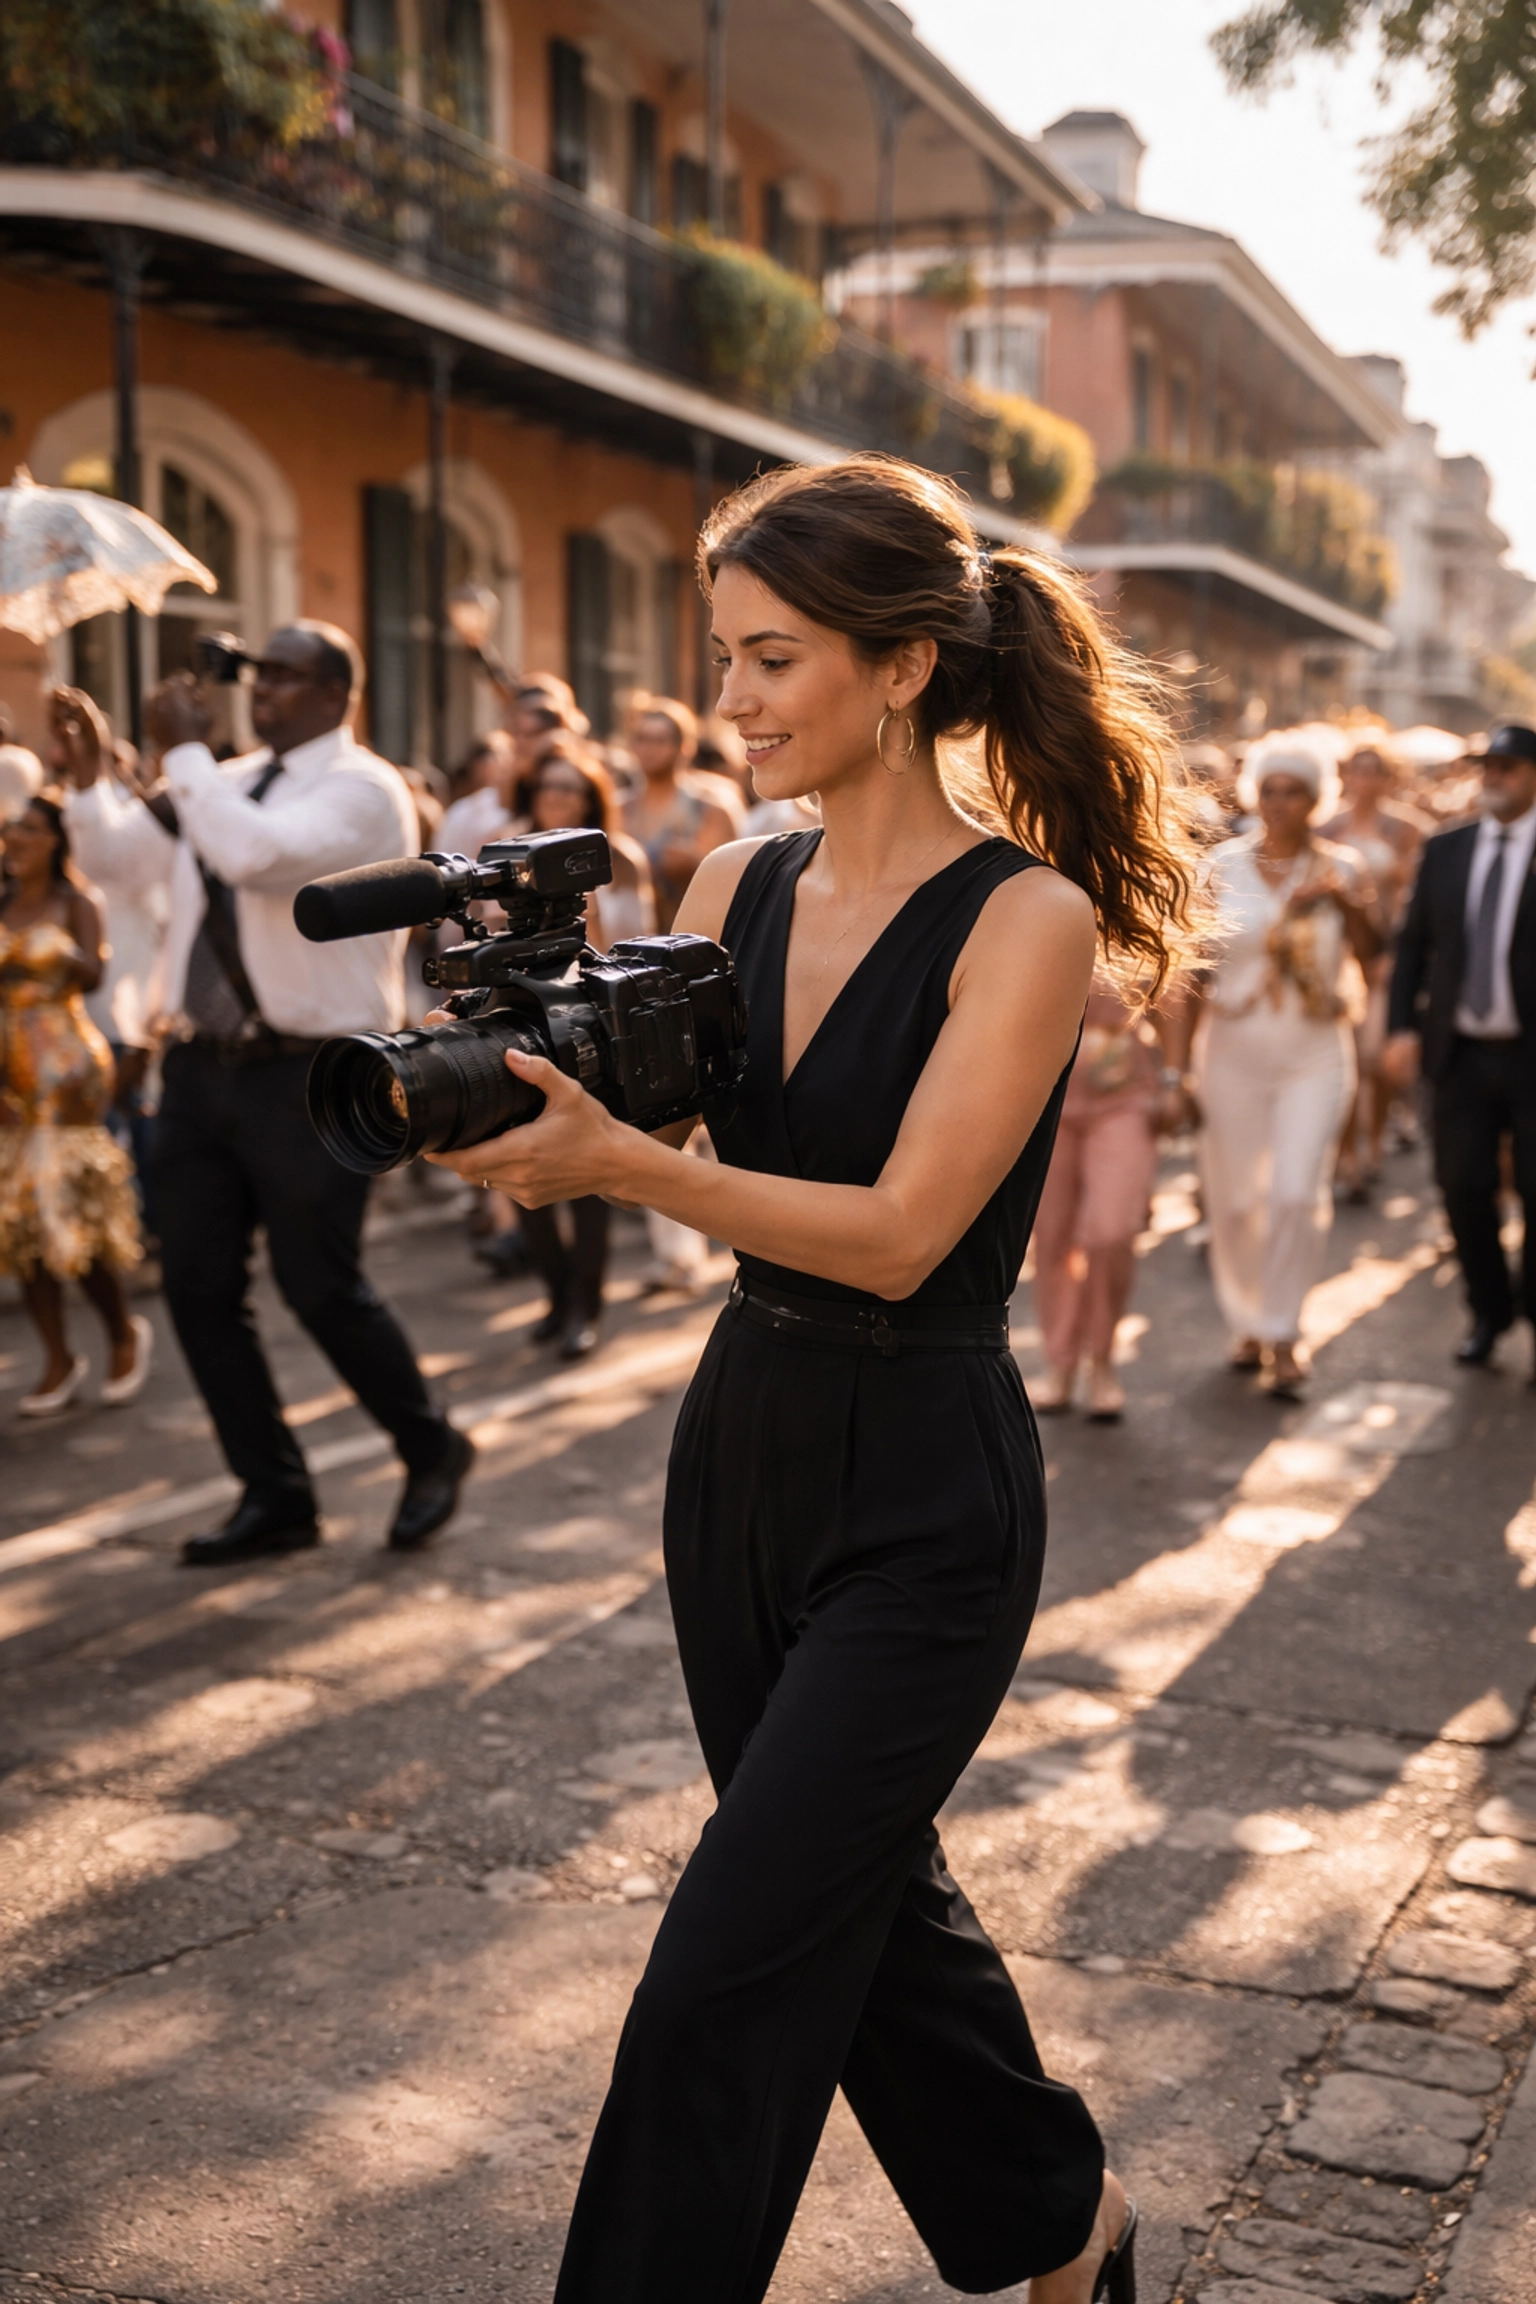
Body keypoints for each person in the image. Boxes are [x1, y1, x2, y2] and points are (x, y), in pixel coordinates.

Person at [430, 456, 1197, 2304]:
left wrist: (629, 1167)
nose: (737, 698)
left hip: (928, 1479)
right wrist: (528, 1093)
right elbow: (684, 1136)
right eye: (725, 656)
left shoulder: (1025, 919)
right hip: (743, 1445)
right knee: (855, 1906)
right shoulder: (727, 877)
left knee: (729, 1961)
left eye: (773, 656)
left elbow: (904, 1230)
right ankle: (1058, 2220)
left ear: (904, 665)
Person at [140, 621, 473, 1564]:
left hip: (313, 1071)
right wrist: (89, 780)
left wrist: (185, 754)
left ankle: (429, 1442)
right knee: (197, 1285)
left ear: (338, 693)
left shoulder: (363, 789)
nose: (262, 690)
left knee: (318, 1282)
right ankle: (274, 1493)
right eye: (256, 673)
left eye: (284, 676)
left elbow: (257, 858)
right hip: (203, 1063)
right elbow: (129, 860)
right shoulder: (229, 777)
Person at [1168, 737, 1381, 1399]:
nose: (1281, 802)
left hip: (1314, 1050)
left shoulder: (1341, 867)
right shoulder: (1218, 870)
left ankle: (1285, 1330)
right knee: (1234, 1198)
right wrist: (1178, 1073)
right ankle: (1248, 1319)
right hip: (1232, 1048)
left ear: (1316, 799)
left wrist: (1346, 907)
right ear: (1256, 794)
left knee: (1294, 1191)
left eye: (1295, 791)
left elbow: (1375, 953)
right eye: (1271, 789)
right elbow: (1189, 977)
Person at [1386, 720, 1536, 1369]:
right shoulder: (1447, 849)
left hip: (1531, 1055)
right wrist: (1399, 1029)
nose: (1493, 776)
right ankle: (1489, 1310)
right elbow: (1414, 946)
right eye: (1487, 766)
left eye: (1507, 766)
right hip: (1461, 1054)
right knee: (1459, 1183)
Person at [0, 790, 151, 1414]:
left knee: (72, 1211)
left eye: (31, 830)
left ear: (56, 840)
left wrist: (46, 948)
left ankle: (122, 1335)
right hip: (8, 1063)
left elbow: (93, 975)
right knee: (20, 1220)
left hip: (66, 1063)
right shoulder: (1, 902)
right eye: (12, 829)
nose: (16, 839)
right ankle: (58, 1357)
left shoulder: (75, 899)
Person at [511, 744, 656, 1356]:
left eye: (570, 789)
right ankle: (555, 1293)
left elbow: (639, 946)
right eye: (548, 786)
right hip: (522, 1019)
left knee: (591, 1178)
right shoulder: (510, 854)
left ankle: (586, 1309)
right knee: (521, 1172)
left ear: (591, 798)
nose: (557, 798)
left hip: (595, 1024)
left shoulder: (618, 859)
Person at [50, 686, 176, 1240]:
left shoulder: (134, 844)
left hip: (130, 1003)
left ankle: (146, 1228)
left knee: (131, 1115)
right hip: (77, 1017)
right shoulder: (70, 851)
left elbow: (161, 915)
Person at [1031, 980, 1185, 1419]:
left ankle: (1101, 1360)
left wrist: (1173, 1081)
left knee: (1112, 1230)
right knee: (1053, 1235)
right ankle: (1060, 1362)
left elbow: (1174, 999)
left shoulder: (1138, 915)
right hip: (1048, 1095)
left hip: (1126, 1097)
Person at [1320, 744, 1426, 1198]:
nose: (1365, 780)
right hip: (1337, 953)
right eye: (1357, 770)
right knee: (1341, 1054)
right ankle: (1345, 1155)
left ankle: (1375, 1140)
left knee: (1377, 1061)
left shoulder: (1407, 829)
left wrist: (1401, 956)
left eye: (1374, 771)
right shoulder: (1327, 826)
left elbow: (1418, 900)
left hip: (1387, 957)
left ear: (1388, 778)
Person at [622, 697, 742, 929]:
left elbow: (732, 884)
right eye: (642, 739)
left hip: (694, 934)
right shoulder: (620, 807)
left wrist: (696, 864)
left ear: (684, 746)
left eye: (659, 740)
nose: (649, 749)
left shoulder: (711, 807)